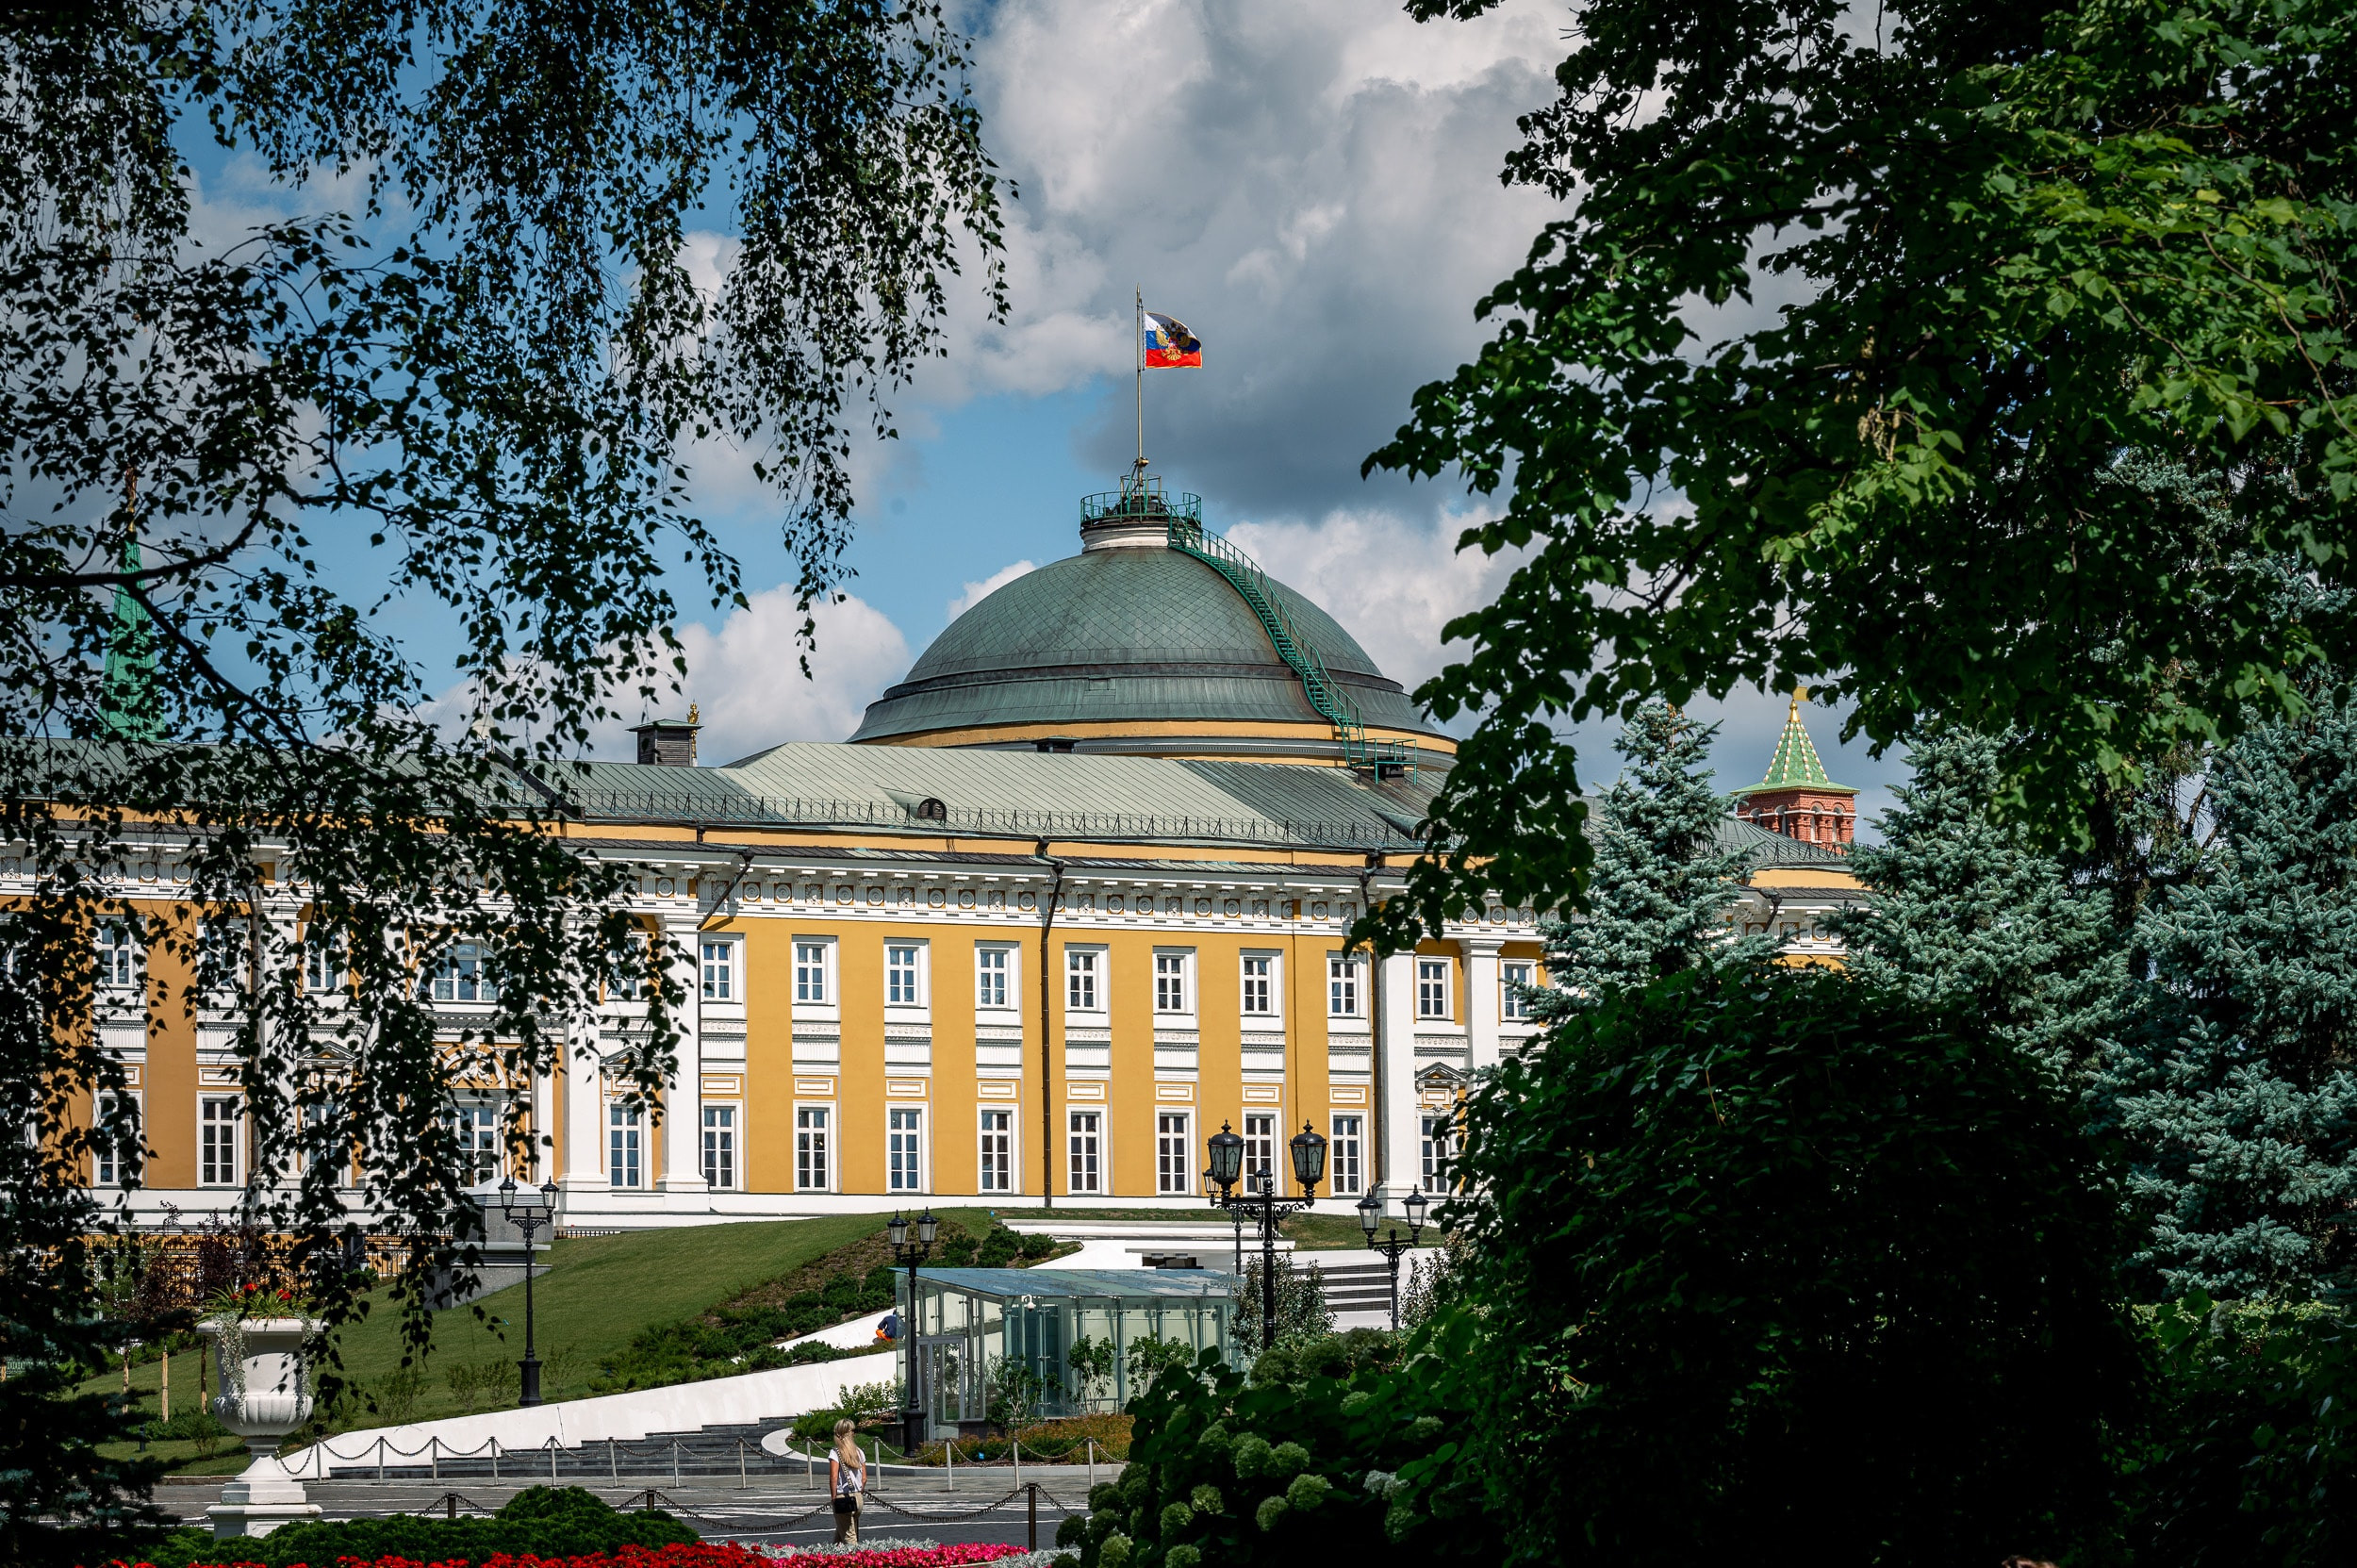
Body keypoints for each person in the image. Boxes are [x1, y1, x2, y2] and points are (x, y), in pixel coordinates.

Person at [829, 1417, 865, 1543]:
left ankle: (857, 1561)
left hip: (842, 1497)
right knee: (844, 1530)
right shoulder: (859, 1452)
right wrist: (859, 1491)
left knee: (850, 1539)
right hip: (858, 1498)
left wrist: (833, 1497)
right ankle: (832, 1556)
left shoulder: (836, 1452)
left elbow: (834, 1477)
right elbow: (864, 1478)